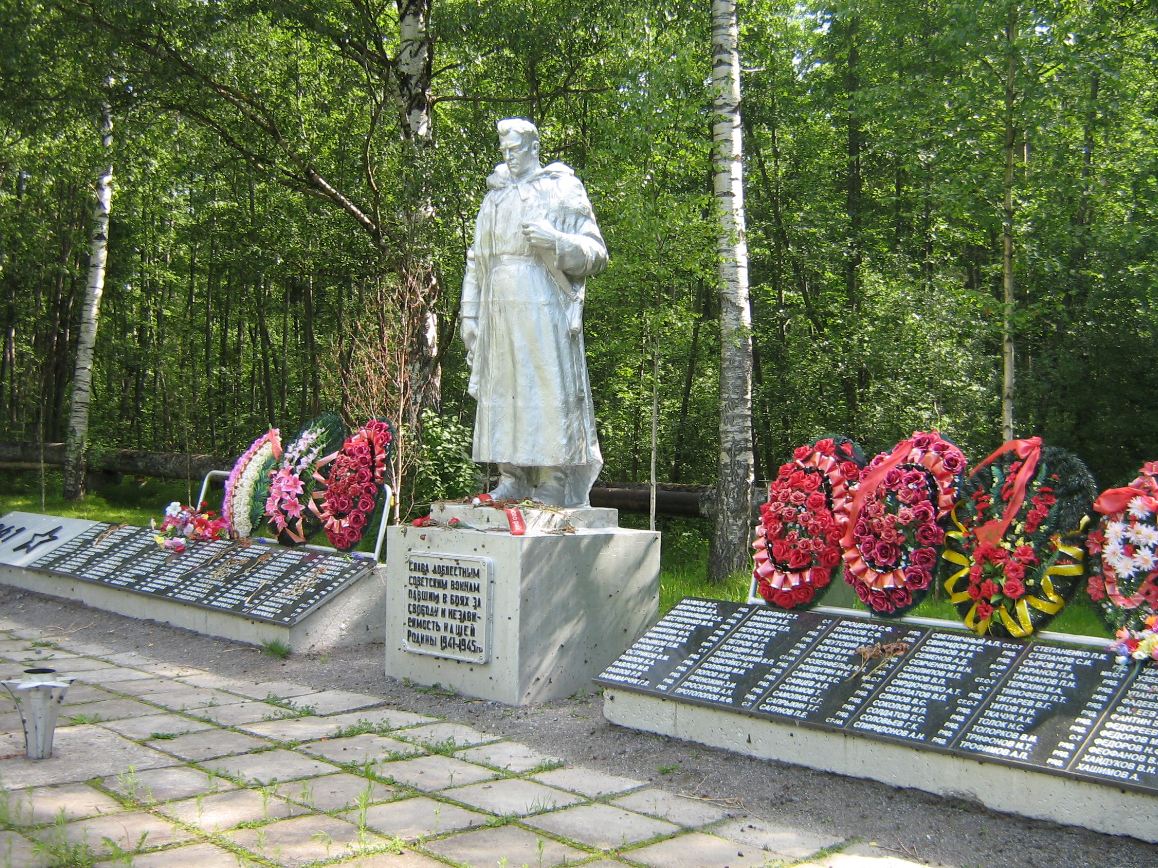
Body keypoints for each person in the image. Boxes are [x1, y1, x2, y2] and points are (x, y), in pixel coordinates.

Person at [460, 118, 607, 507]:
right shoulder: (495, 198)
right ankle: (511, 476)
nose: (508, 157)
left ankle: (553, 479)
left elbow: (596, 253)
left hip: (543, 303)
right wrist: (469, 315)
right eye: (503, 150)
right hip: (497, 306)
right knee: (502, 389)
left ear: (534, 146)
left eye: (516, 149)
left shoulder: (561, 187)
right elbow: (476, 262)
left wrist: (556, 241)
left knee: (545, 388)